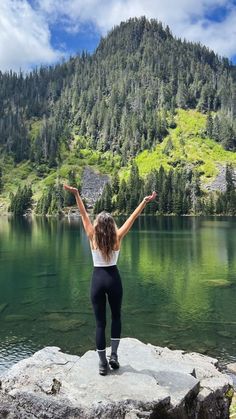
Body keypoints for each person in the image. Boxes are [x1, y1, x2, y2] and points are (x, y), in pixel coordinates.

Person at [63, 183, 157, 375]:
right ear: (111, 225)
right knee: (116, 317)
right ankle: (113, 355)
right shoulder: (117, 237)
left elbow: (82, 214)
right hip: (114, 279)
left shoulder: (91, 236)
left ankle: (102, 364)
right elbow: (133, 217)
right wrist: (144, 202)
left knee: (100, 323)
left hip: (97, 280)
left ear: (98, 225)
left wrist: (76, 194)